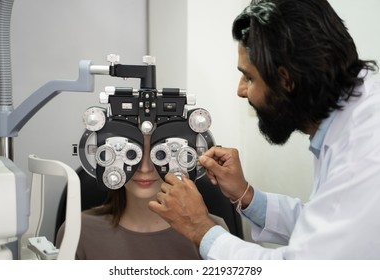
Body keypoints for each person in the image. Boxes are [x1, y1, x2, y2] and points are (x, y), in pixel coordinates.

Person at [148, 0, 380, 259]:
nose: (240, 90)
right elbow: (328, 225)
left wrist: (200, 228)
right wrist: (245, 195)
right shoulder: (350, 122)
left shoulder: (365, 152)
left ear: (286, 80)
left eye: (249, 77)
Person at [56, 134, 227, 260]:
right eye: (132, 154)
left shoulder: (211, 232)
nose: (144, 168)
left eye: (159, 154)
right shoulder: (77, 231)